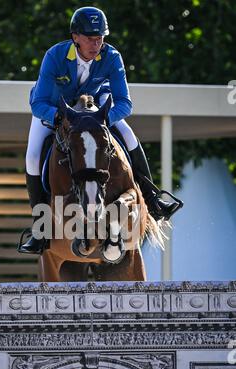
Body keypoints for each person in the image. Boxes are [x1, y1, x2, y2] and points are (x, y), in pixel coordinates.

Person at [19, 6, 182, 254]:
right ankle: (40, 228)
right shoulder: (54, 56)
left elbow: (125, 102)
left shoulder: (112, 56)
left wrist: (101, 120)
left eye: (101, 38)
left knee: (127, 135)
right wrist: (60, 118)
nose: (97, 44)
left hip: (96, 114)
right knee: (32, 157)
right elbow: (38, 102)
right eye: (91, 38)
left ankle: (152, 198)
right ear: (75, 37)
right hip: (54, 112)